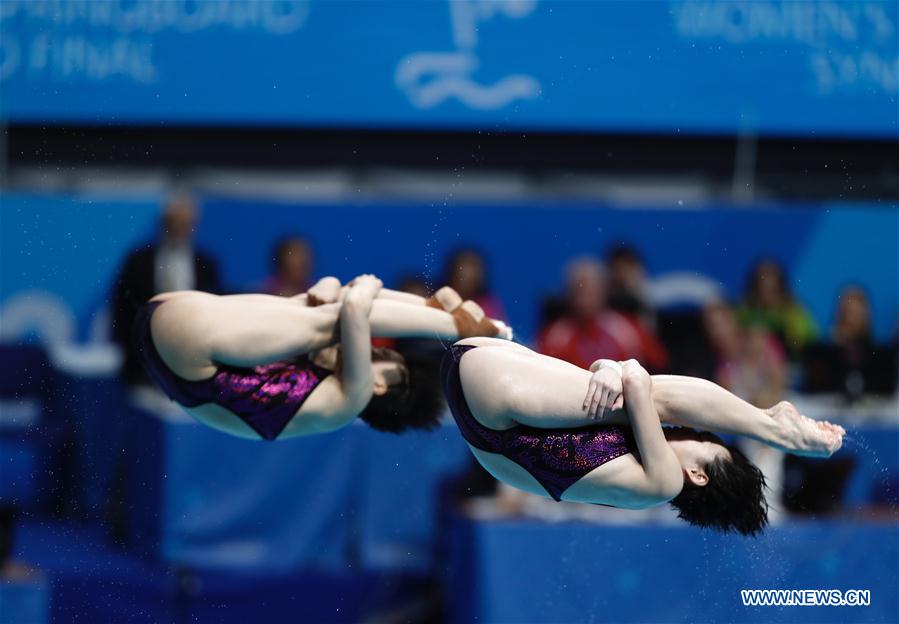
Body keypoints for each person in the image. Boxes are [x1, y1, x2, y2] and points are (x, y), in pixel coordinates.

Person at [441, 338, 844, 535]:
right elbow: (608, 375)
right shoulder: (646, 479)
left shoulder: (664, 482)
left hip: (494, 406)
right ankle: (769, 423)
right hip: (485, 410)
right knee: (627, 394)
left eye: (708, 440)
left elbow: (636, 377)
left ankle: (773, 427)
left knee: (656, 397)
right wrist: (612, 371)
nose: (695, 430)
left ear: (699, 475)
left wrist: (619, 371)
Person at [133, 276, 511, 441]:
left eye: (382, 356)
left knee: (329, 318)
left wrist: (369, 285)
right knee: (309, 310)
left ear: (378, 385)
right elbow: (340, 291)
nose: (373, 348)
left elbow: (358, 303)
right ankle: (445, 318)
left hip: (185, 350)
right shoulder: (327, 368)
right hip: (171, 338)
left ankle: (458, 328)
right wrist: (420, 305)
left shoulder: (348, 401)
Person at [111, 193, 221, 385]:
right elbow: (121, 309)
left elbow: (216, 313)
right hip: (142, 363)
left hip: (191, 361)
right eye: (173, 222)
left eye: (184, 223)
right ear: (163, 222)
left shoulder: (205, 265)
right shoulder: (138, 261)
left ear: (193, 225)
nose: (179, 228)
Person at [537, 258, 667, 371]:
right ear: (568, 293)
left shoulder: (627, 330)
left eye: (589, 290)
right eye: (578, 290)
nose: (584, 298)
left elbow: (659, 363)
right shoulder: (554, 337)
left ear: (603, 290)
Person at [737, 260, 817, 358]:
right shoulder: (745, 311)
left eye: (772, 290)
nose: (767, 294)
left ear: (780, 286)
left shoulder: (794, 310)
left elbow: (808, 340)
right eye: (762, 287)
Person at [443, 248, 506, 320]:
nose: (466, 274)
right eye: (462, 270)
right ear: (452, 273)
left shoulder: (488, 305)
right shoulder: (435, 297)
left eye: (472, 270)